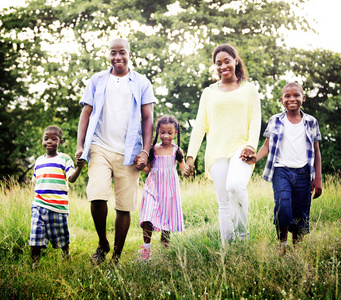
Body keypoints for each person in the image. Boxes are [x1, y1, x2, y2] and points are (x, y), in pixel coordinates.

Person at [76, 38, 154, 265]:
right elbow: (86, 114)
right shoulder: (97, 80)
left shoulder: (141, 82)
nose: (117, 57)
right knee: (97, 195)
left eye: (122, 52)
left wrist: (145, 151)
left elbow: (148, 118)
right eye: (113, 53)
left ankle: (116, 257)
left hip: (129, 151)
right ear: (108, 55)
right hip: (99, 145)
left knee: (124, 205)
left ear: (130, 53)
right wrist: (81, 146)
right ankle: (103, 244)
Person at [184, 43, 261, 247]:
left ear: (236, 61)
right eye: (218, 63)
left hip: (241, 148)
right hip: (216, 152)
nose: (223, 66)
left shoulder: (249, 89)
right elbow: (200, 125)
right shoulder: (209, 93)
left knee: (235, 185)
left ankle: (242, 238)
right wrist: (191, 156)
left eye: (227, 61)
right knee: (224, 202)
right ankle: (228, 247)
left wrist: (252, 146)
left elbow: (255, 120)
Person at [243, 82, 322, 253]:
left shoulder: (311, 122)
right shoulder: (275, 120)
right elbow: (267, 145)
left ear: (303, 98)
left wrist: (318, 179)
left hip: (303, 172)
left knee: (301, 212)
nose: (292, 99)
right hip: (281, 171)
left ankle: (296, 249)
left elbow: (316, 151)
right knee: (283, 206)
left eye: (296, 95)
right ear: (281, 100)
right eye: (287, 96)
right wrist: (255, 158)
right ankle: (282, 244)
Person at [29, 125, 84, 268]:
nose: (49, 141)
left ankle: (66, 254)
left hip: (58, 207)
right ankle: (35, 264)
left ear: (60, 142)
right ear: (42, 140)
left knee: (62, 237)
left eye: (54, 139)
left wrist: (79, 167)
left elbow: (71, 178)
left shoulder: (64, 159)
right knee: (35, 235)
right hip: (38, 205)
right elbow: (35, 181)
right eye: (46, 138)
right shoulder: (39, 161)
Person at [138, 115, 187, 261]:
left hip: (170, 190)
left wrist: (187, 171)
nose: (166, 136)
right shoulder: (152, 149)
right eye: (162, 132)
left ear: (175, 133)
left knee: (166, 220)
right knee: (147, 216)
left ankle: (165, 251)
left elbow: (183, 169)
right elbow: (147, 169)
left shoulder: (177, 151)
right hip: (153, 187)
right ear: (158, 132)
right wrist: (140, 165)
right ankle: (146, 250)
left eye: (170, 133)